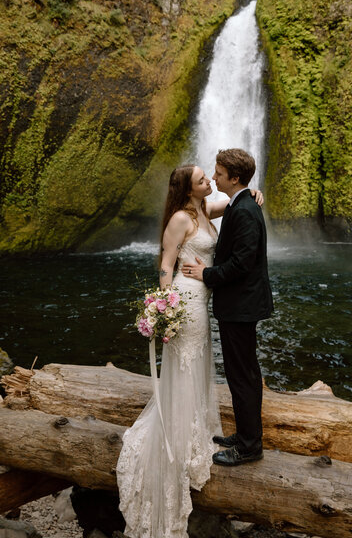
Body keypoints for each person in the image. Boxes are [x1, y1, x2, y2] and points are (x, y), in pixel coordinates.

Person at [116, 163, 263, 538]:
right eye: (202, 178)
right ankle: (177, 436)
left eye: (210, 176)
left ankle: (195, 427)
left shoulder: (205, 209)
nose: (209, 180)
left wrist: (255, 194)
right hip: (185, 296)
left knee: (198, 363)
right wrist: (164, 304)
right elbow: (166, 261)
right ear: (188, 188)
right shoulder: (181, 218)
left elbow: (235, 202)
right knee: (184, 361)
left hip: (203, 299)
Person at [182, 148, 273, 466]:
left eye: (219, 173)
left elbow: (242, 263)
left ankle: (249, 446)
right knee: (241, 373)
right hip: (239, 304)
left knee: (243, 374)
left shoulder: (245, 209)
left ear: (235, 178)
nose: (214, 176)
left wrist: (205, 274)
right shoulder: (241, 203)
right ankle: (246, 434)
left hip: (241, 305)